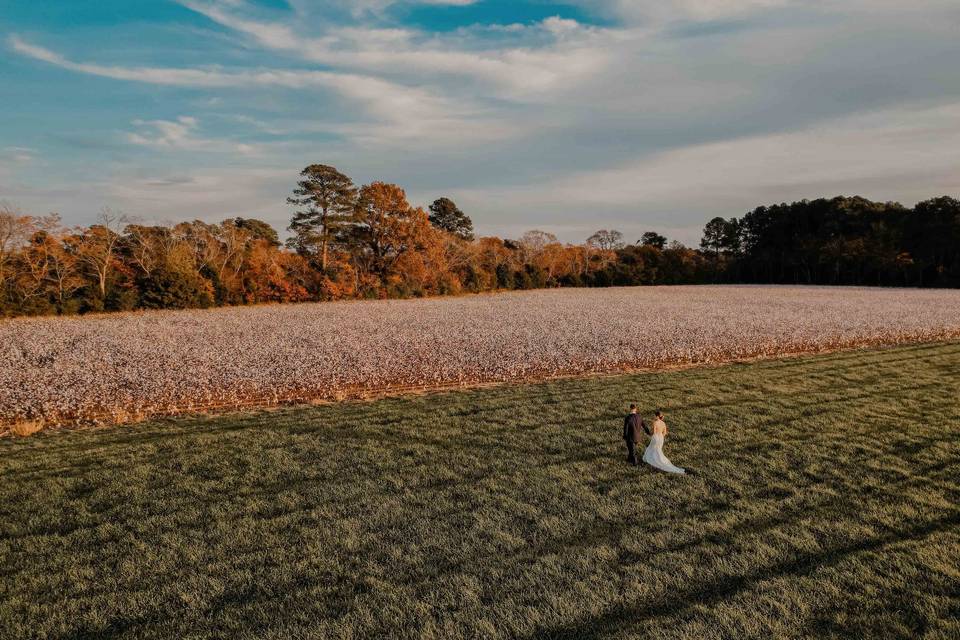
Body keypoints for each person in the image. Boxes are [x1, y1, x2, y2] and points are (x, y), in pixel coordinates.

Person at [643, 410, 686, 474]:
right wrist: (660, 437)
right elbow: (665, 433)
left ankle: (653, 460)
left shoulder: (655, 422)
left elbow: (654, 432)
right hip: (661, 438)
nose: (654, 417)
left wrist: (652, 435)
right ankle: (659, 459)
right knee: (658, 450)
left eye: (655, 415)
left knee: (652, 448)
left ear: (657, 416)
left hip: (656, 437)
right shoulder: (663, 423)